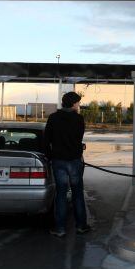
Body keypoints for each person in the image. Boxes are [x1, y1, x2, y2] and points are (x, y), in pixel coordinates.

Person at [44, 91, 91, 237]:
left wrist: (50, 156)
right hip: (75, 161)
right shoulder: (78, 119)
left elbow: (47, 140)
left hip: (59, 161)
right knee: (77, 193)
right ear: (73, 103)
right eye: (78, 102)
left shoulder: (53, 118)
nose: (79, 105)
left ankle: (60, 229)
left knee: (61, 194)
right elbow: (78, 138)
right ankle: (81, 226)